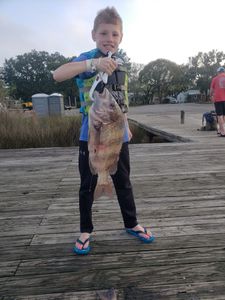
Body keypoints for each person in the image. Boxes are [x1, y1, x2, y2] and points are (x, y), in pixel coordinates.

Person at [53, 6, 154, 255]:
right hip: (93, 135)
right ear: (94, 35)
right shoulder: (89, 59)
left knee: (123, 180)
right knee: (87, 183)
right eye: (104, 33)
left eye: (115, 34)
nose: (109, 39)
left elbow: (122, 100)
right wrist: (93, 62)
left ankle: (132, 223)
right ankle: (85, 230)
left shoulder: (122, 65)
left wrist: (127, 125)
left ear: (121, 38)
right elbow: (58, 75)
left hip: (118, 134)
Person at [210, 66, 225, 137]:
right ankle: (220, 130)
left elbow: (211, 90)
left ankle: (223, 132)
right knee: (224, 115)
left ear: (218, 72)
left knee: (220, 115)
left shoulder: (215, 79)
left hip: (218, 99)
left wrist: (211, 96)